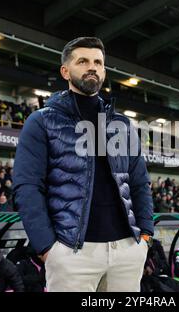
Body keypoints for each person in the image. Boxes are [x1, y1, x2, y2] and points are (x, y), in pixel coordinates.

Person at [13, 37, 153, 292]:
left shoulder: (121, 124)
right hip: (72, 253)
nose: (92, 67)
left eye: (98, 62)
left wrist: (145, 234)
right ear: (65, 71)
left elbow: (139, 181)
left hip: (127, 251)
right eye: (83, 61)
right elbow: (27, 187)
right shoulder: (41, 121)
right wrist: (47, 248)